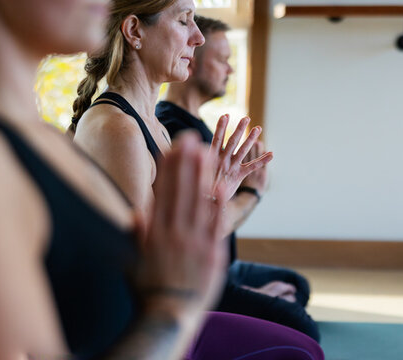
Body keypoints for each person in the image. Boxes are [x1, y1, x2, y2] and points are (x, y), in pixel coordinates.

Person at [0, 0, 324, 359]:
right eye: (183, 20)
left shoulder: (41, 141)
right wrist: (175, 308)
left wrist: (203, 217)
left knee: (299, 347)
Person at [69, 0, 322, 356]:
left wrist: (220, 192)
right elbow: (146, 265)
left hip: (164, 311)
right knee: (300, 348)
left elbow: (173, 245)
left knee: (304, 344)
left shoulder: (153, 127)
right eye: (185, 21)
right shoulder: (116, 128)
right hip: (138, 330)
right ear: (134, 31)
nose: (198, 38)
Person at [157, 15, 320, 342]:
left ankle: (248, 299)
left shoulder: (195, 123)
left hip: (229, 267)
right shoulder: (178, 131)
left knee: (297, 284)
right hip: (198, 277)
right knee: (303, 326)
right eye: (222, 60)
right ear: (190, 60)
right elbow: (199, 229)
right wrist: (251, 193)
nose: (230, 70)